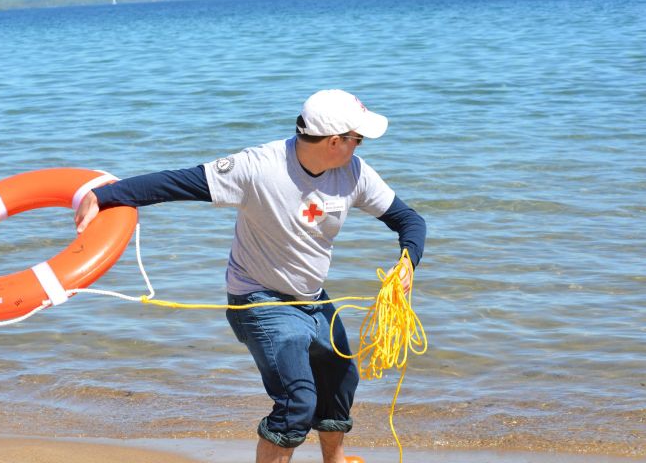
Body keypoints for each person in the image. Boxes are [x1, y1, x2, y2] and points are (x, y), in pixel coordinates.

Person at [74, 89, 426, 463]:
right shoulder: (258, 167)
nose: (361, 146)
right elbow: (177, 183)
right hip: (258, 300)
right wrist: (107, 195)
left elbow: (409, 221)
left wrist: (407, 262)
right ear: (335, 141)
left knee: (340, 381)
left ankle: (334, 461)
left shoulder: (353, 172)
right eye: (358, 139)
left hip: (313, 297)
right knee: (297, 404)